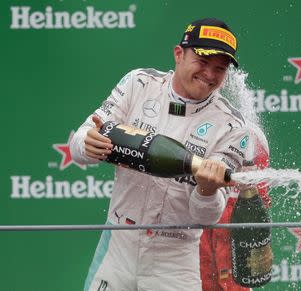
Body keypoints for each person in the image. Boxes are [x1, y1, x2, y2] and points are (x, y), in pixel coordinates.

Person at [70, 18, 253, 291]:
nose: (210, 75)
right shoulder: (139, 84)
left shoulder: (233, 127)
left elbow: (207, 217)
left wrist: (206, 189)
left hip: (175, 261)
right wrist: (87, 143)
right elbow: (80, 141)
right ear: (179, 54)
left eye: (220, 69)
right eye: (202, 62)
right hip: (117, 246)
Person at [199, 125, 271, 291]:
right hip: (196, 250)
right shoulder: (194, 124)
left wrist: (250, 188)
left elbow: (259, 206)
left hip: (232, 252)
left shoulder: (254, 137)